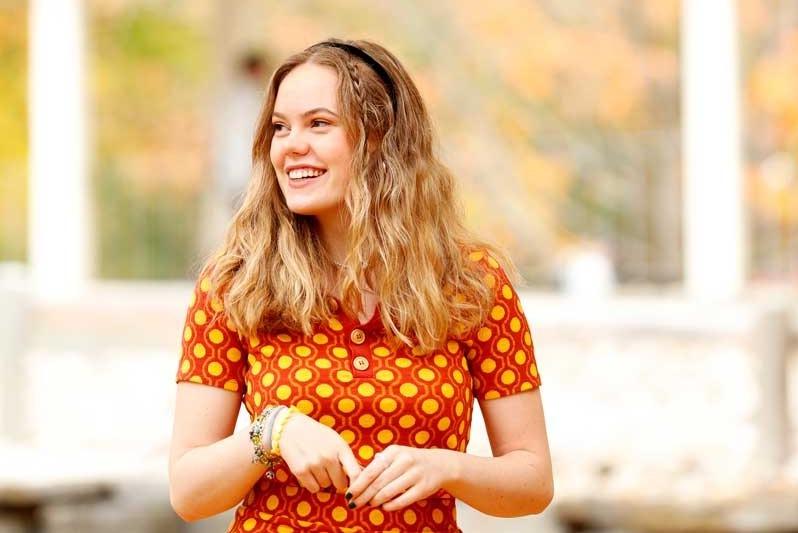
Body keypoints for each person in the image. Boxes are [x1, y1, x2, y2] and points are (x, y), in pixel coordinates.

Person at [169, 37, 553, 533]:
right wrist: (271, 432)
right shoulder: (236, 282)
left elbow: (533, 480)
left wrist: (447, 467)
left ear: (380, 137)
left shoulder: (471, 282)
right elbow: (188, 493)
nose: (291, 145)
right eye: (280, 127)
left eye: (319, 124)